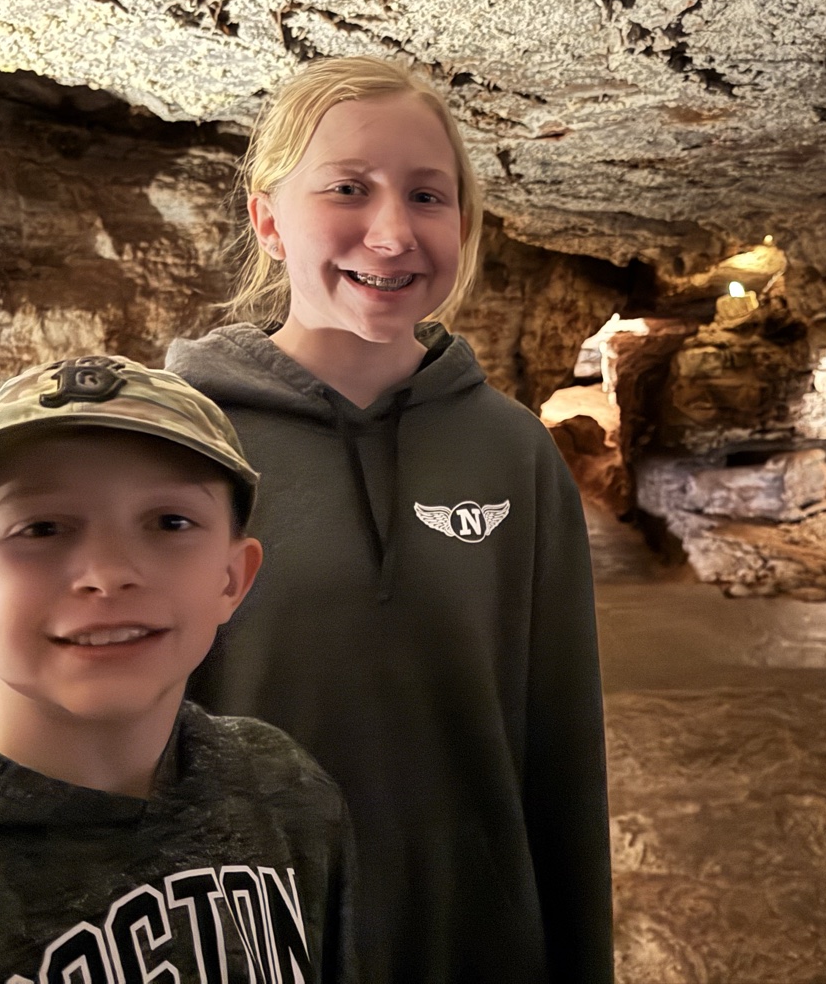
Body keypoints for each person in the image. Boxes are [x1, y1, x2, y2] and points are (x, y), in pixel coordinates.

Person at [166, 57, 613, 983]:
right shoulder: (178, 444)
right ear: (267, 219)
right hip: (249, 942)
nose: (393, 231)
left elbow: (561, 747)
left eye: (428, 195)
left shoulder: (515, 454)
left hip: (476, 939)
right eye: (347, 188)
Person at [0, 355, 356, 984]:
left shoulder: (283, 791)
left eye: (171, 522)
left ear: (233, 578)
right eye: (41, 528)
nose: (108, 572)